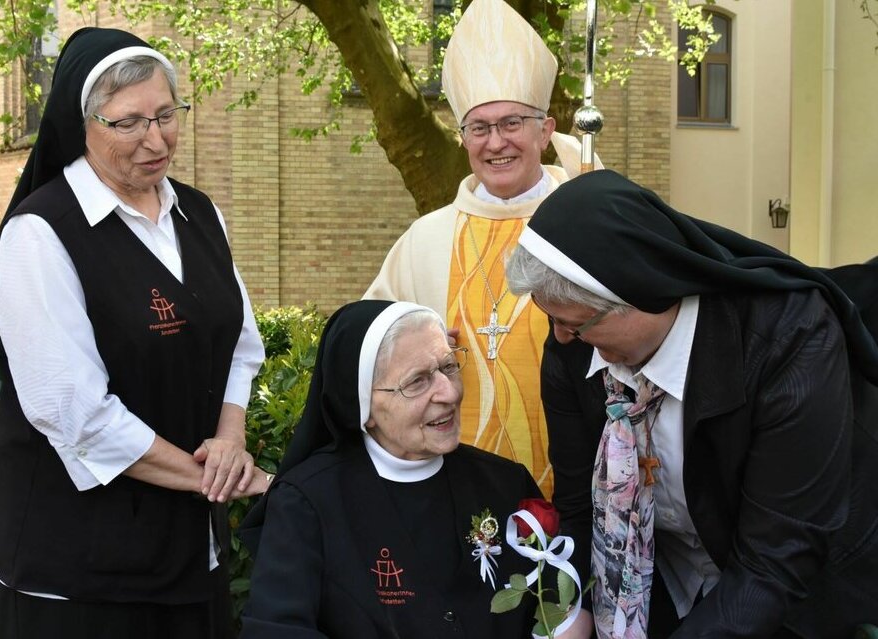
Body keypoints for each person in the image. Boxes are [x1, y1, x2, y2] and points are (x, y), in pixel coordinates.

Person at [504, 169, 878, 638]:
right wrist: (571, 611)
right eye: (552, 320)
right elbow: (581, 506)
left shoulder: (788, 340)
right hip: (668, 590)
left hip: (804, 601)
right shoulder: (571, 345)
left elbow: (775, 562)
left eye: (577, 325)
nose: (560, 338)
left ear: (641, 294)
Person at [0, 27, 268, 639]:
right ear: (82, 123)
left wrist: (230, 438)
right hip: (82, 576)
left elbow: (239, 345)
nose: (156, 138)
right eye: (129, 123)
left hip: (194, 554)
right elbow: (74, 411)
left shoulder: (201, 212)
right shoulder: (40, 235)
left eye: (167, 115)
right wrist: (217, 479)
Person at [365, 0, 602, 499]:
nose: (496, 142)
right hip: (450, 489)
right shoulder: (425, 239)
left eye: (512, 122)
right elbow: (368, 347)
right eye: (479, 127)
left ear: (546, 129)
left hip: (583, 480)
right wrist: (411, 343)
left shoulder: (592, 220)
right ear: (464, 137)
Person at [239, 300, 585, 638]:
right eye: (417, 381)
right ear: (364, 406)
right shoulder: (307, 502)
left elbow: (558, 601)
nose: (448, 393)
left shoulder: (506, 483)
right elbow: (277, 627)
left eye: (449, 367)